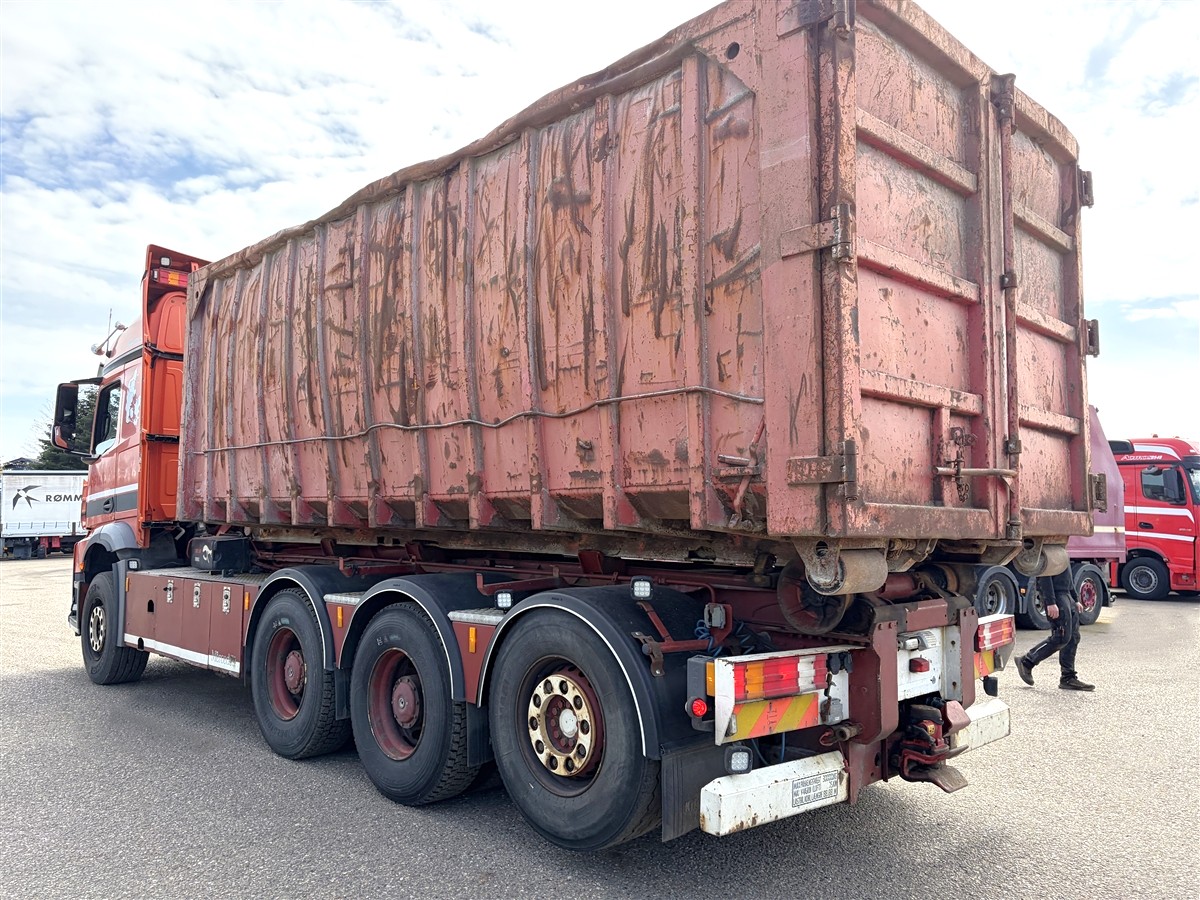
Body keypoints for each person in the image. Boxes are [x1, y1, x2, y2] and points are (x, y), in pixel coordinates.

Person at [1014, 567, 1095, 691]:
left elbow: (1068, 575)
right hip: (1057, 596)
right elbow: (1044, 576)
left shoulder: (1061, 554)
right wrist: (1050, 602)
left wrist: (1075, 599)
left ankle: (1068, 678)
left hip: (1067, 595)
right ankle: (1027, 661)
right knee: (1061, 637)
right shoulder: (1048, 555)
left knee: (1073, 637)